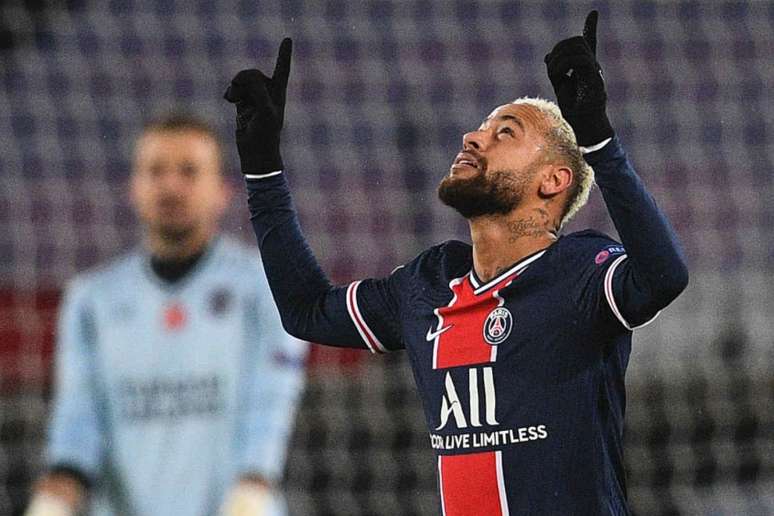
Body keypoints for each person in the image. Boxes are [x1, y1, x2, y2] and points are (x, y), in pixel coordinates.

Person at [224, 11, 688, 515]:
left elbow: (663, 276)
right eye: (481, 128)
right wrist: (263, 169)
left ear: (553, 181)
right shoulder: (428, 283)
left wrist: (597, 138)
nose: (472, 137)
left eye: (504, 133)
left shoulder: (580, 271)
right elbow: (306, 311)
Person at [25, 114, 307, 516]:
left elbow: (272, 400)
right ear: (133, 188)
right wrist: (52, 499)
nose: (171, 185)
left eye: (189, 171)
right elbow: (76, 420)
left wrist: (253, 486)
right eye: (156, 171)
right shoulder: (91, 299)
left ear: (223, 191)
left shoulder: (266, 286)